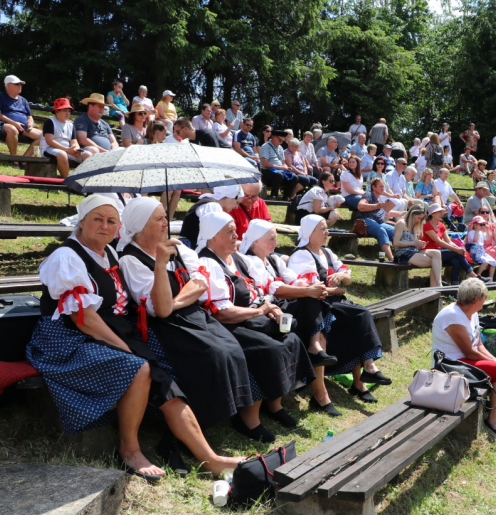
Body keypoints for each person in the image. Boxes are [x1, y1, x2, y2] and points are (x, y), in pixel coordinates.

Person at [28, 195, 244, 480]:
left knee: (162, 373)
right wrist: (126, 349)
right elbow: (84, 319)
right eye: (97, 219)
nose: (105, 226)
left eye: (111, 221)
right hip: (67, 339)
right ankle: (130, 449)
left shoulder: (110, 253)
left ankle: (210, 459)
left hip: (111, 328)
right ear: (82, 221)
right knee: (140, 367)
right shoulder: (67, 257)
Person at [117, 198, 265, 438]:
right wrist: (161, 264)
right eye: (159, 219)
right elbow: (159, 311)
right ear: (141, 225)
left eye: (165, 217)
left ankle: (230, 412)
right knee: (213, 355)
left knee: (232, 348)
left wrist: (174, 302)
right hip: (164, 326)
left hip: (189, 314)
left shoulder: (178, 247)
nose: (166, 223)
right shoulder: (130, 260)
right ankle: (201, 419)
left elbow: (200, 284)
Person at [194, 212, 318, 429]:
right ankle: (248, 419)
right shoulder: (208, 262)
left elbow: (258, 291)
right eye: (229, 231)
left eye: (235, 230)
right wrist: (261, 311)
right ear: (212, 237)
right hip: (227, 326)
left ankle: (275, 404)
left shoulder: (236, 259)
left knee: (292, 339)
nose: (236, 235)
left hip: (249, 318)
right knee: (270, 349)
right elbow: (220, 312)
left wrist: (271, 309)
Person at [288, 215, 392, 408]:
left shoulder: (326, 252)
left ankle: (363, 377)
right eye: (322, 229)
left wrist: (341, 275)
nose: (327, 232)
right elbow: (313, 289)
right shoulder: (301, 255)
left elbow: (347, 278)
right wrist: (339, 289)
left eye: (326, 228)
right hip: (313, 305)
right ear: (310, 233)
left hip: (331, 301)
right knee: (359, 315)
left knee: (361, 314)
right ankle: (364, 374)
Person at [432, 278, 496, 442]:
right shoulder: (453, 316)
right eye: (485, 296)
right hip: (451, 364)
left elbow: (478, 344)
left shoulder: (472, 313)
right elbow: (469, 352)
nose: (486, 300)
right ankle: (491, 420)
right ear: (476, 299)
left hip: (465, 360)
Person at [423, 204, 485, 285]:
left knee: (456, 261)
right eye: (439, 212)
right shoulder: (427, 225)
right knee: (457, 254)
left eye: (442, 212)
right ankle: (474, 276)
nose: (442, 214)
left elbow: (448, 241)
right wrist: (457, 250)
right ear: (432, 214)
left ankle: (454, 285)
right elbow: (439, 242)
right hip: (430, 253)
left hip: (440, 252)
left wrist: (459, 248)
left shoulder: (441, 225)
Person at [41, 98, 96, 178]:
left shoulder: (71, 125)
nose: (67, 113)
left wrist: (76, 150)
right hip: (49, 149)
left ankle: (81, 179)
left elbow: (74, 141)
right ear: (57, 111)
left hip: (68, 150)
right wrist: (66, 149)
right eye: (65, 110)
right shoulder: (50, 122)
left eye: (69, 111)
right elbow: (50, 141)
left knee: (88, 155)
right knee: (62, 154)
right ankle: (67, 180)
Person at [392, 206, 443, 287]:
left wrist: (420, 244)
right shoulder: (401, 223)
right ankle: (437, 286)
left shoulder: (416, 225)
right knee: (435, 263)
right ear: (412, 214)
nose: (418, 221)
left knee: (437, 253)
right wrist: (414, 243)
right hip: (403, 253)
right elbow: (396, 243)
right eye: (418, 218)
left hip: (414, 250)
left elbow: (415, 243)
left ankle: (438, 284)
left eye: (421, 219)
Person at [356, 178, 405, 261]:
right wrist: (377, 206)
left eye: (383, 187)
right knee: (381, 230)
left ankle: (401, 256)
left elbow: (385, 213)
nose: (383, 189)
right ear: (374, 187)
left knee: (396, 231)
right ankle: (391, 259)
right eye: (380, 187)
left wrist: (401, 213)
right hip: (364, 220)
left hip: (378, 222)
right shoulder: (369, 195)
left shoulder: (380, 199)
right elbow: (360, 206)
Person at [179, 184, 240, 248]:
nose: (236, 207)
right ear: (230, 196)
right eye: (237, 202)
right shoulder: (211, 206)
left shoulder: (212, 204)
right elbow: (208, 235)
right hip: (190, 245)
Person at [1, 75, 43, 157]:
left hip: (23, 127)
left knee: (44, 136)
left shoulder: (23, 100)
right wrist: (14, 123)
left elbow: (29, 117)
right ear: (8, 85)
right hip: (4, 124)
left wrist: (30, 124)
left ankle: (24, 160)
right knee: (12, 129)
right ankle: (14, 159)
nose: (20, 86)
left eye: (21, 84)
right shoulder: (1, 96)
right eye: (17, 84)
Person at [260, 128, 301, 200]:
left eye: (283, 140)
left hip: (279, 171)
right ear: (274, 137)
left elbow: (283, 163)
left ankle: (286, 197)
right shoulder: (265, 146)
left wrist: (286, 168)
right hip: (267, 171)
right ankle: (273, 196)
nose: (281, 142)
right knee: (279, 175)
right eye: (280, 140)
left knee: (294, 177)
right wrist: (280, 167)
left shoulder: (280, 148)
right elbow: (264, 163)